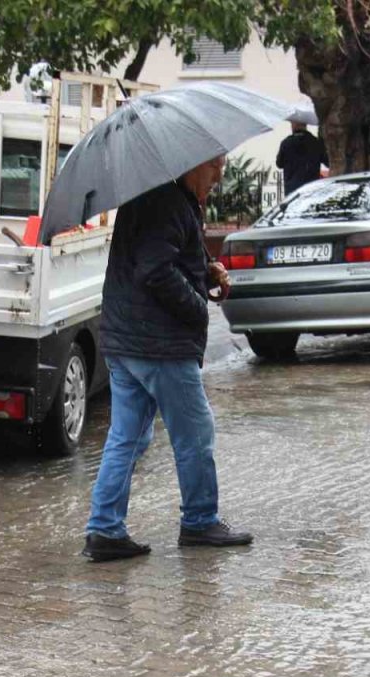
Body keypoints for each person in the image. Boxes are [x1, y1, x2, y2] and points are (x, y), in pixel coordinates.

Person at [81, 154, 254, 562]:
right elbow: (155, 270)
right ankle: (199, 521)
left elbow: (162, 259)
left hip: (127, 341)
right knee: (195, 433)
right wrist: (197, 304)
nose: (219, 176)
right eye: (215, 166)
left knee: (127, 437)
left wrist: (205, 271)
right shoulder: (168, 202)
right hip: (158, 345)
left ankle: (104, 529)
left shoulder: (153, 198)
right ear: (191, 164)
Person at [276, 121, 329, 196]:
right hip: (311, 187)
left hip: (292, 189)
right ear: (305, 125)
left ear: (294, 125)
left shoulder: (286, 143)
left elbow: (279, 164)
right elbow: (326, 161)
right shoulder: (315, 142)